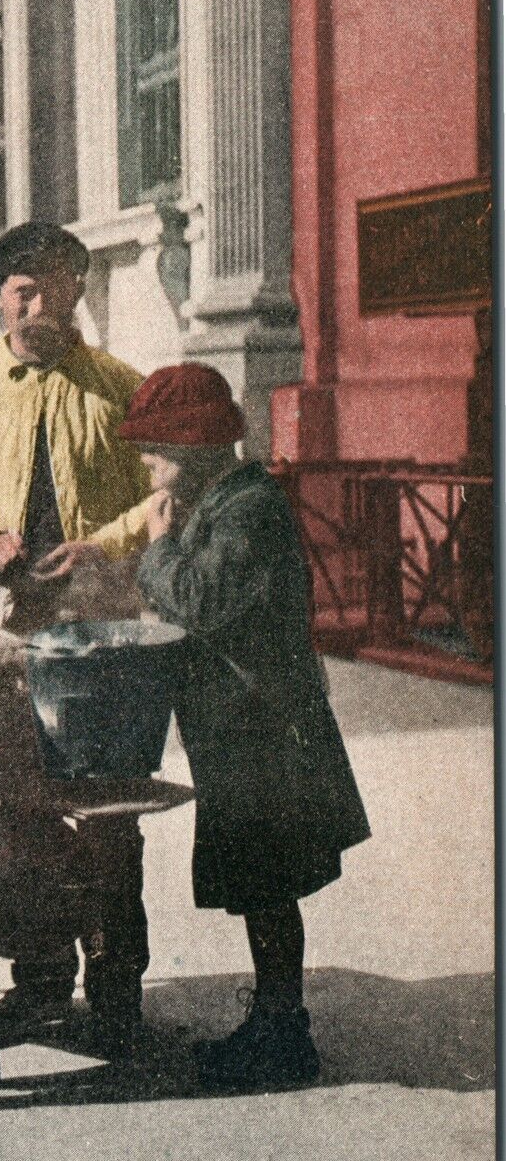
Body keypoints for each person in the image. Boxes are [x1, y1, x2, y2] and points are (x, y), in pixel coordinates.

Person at [0, 220, 155, 1054]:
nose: (39, 304)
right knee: (21, 809)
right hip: (8, 645)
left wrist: (105, 544)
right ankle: (40, 981)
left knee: (114, 814)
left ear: (80, 292)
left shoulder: (123, 389)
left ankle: (117, 986)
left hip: (103, 642)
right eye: (22, 290)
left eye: (56, 286)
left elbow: (162, 499)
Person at [120, 364, 371, 1091]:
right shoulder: (221, 498)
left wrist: (158, 549)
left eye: (154, 447)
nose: (145, 461)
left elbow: (198, 598)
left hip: (265, 734)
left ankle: (284, 1036)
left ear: (191, 445)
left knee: (268, 883)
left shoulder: (248, 508)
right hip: (241, 730)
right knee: (261, 884)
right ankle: (273, 1020)